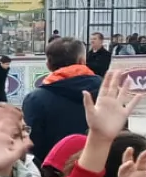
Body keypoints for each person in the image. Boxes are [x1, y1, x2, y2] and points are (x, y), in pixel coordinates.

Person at [22, 37, 102, 166]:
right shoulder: (108, 92)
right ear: (82, 61)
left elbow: (32, 145)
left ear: (48, 65)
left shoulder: (36, 99)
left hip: (52, 174)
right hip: (101, 169)